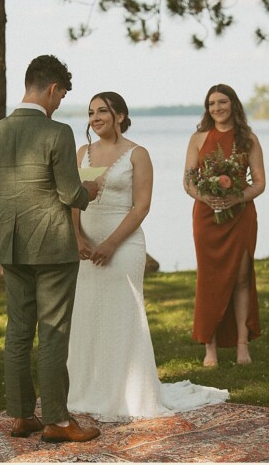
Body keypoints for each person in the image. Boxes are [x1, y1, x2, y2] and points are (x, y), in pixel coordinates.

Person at [67, 92, 228, 421]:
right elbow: (72, 201)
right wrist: (78, 237)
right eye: (91, 112)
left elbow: (141, 206)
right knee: (88, 315)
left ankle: (128, 393)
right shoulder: (83, 153)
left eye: (103, 111)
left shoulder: (137, 154)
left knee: (122, 314)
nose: (95, 117)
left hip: (123, 246)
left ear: (120, 116)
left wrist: (111, 244)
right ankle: (86, 390)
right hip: (86, 247)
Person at [0, 55, 101, 443]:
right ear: (51, 88)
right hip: (52, 246)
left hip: (10, 244)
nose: (60, 102)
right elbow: (69, 192)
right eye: (61, 94)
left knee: (17, 331)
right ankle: (57, 421)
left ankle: (20, 416)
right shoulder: (58, 132)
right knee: (53, 331)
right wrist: (90, 191)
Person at [183, 83, 266, 367]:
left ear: (233, 104)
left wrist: (235, 199)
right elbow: (189, 180)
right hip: (206, 217)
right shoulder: (198, 138)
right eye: (211, 103)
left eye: (222, 102)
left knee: (242, 278)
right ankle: (211, 349)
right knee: (208, 279)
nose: (216, 108)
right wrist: (205, 196)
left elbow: (260, 182)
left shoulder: (248, 138)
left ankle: (243, 346)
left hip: (240, 215)